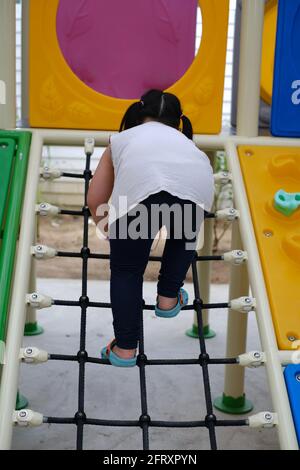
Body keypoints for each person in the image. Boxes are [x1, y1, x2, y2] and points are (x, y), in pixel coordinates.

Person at [87, 89, 214, 367]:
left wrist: (108, 227)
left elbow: (96, 198)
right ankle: (168, 297)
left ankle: (124, 348)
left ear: (137, 113)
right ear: (179, 121)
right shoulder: (190, 146)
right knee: (184, 235)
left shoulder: (121, 140)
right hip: (195, 194)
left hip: (139, 198)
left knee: (126, 271)